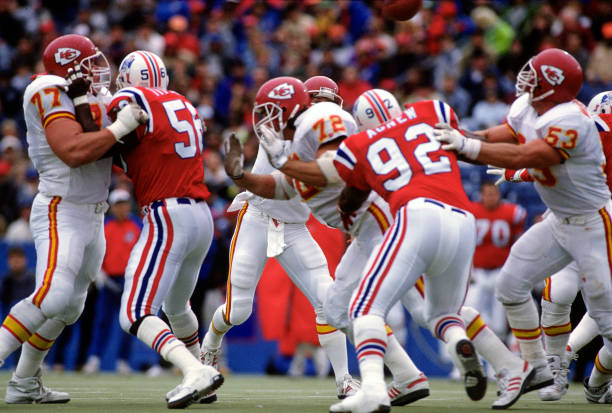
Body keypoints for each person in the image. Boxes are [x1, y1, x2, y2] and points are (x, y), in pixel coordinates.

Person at [226, 83, 432, 407]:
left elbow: (334, 172)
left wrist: (285, 163)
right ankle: (402, 376)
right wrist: (242, 177)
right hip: (365, 228)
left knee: (412, 309)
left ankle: (502, 365)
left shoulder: (326, 130)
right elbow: (280, 188)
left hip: (380, 224)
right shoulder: (294, 143)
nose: (320, 109)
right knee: (338, 308)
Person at [435, 48, 612, 404]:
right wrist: (471, 134)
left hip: (592, 224)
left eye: (536, 74)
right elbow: (510, 132)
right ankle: (536, 367)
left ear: (555, 84)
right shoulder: (529, 107)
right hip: (558, 220)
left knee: (606, 317)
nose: (526, 78)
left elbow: (526, 155)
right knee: (511, 286)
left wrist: (466, 147)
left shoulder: (572, 121)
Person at [0, 34, 146, 404]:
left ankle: (24, 382)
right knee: (53, 294)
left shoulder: (85, 96)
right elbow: (73, 151)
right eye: (90, 62)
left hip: (93, 215)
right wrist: (117, 128)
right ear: (69, 67)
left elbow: (112, 144)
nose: (99, 71)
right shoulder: (46, 89)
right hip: (61, 207)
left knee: (70, 306)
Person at [201, 76, 358, 404]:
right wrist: (241, 176)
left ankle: (344, 380)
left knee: (328, 302)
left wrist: (241, 176)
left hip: (294, 226)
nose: (322, 111)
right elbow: (274, 183)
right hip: (257, 219)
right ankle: (209, 350)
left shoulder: (328, 140)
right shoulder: (281, 130)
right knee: (238, 310)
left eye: (327, 103)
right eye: (316, 102)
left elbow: (287, 182)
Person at [328, 98, 488, 413]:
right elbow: (467, 145)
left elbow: (350, 196)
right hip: (462, 217)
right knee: (442, 313)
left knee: (364, 307)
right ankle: (501, 362)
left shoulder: (361, 142)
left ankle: (373, 388)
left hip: (410, 217)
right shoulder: (430, 111)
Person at [95, 50, 221, 409]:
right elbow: (145, 152)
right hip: (201, 216)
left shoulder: (134, 96)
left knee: (133, 313)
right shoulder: (184, 103)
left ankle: (194, 373)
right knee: (177, 307)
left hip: (168, 214)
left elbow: (122, 124)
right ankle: (205, 377)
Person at [487, 89, 612, 402]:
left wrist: (515, 171)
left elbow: (548, 160)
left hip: (597, 219)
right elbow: (553, 162)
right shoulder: (584, 130)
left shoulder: (582, 127)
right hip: (574, 215)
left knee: (593, 304)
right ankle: (559, 368)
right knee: (559, 294)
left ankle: (580, 374)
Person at [82, 188, 140, 374]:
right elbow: (94, 252)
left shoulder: (137, 226)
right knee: (103, 322)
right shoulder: (105, 227)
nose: (121, 208)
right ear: (112, 208)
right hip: (108, 281)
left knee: (128, 323)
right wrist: (98, 272)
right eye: (118, 205)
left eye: (124, 204)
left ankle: (123, 361)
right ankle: (95, 359)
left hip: (129, 281)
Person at [468, 182, 525, 340]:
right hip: (478, 272)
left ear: (499, 195)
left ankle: (496, 362)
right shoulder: (472, 212)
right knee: (471, 316)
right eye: (487, 194)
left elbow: (518, 243)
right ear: (481, 195)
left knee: (499, 323)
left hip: (501, 271)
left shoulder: (512, 213)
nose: (491, 197)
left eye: (494, 194)